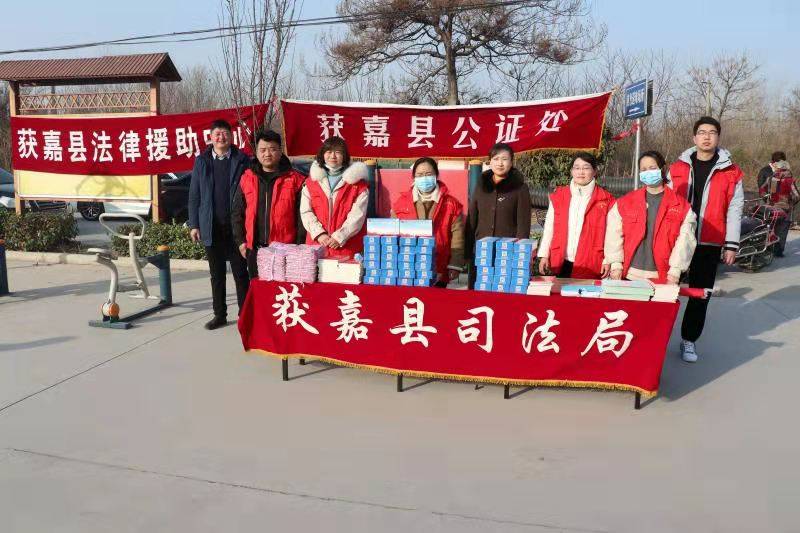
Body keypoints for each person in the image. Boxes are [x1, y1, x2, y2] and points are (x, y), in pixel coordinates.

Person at [668, 116, 744, 362]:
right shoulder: (677, 168)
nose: (707, 136)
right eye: (702, 132)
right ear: (694, 137)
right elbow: (665, 203)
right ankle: (656, 336)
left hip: (709, 242)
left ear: (718, 137)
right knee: (665, 290)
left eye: (712, 132)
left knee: (701, 294)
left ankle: (689, 340)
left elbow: (734, 209)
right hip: (676, 241)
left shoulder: (732, 172)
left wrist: (731, 244)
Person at [188, 119, 251, 330]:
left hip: (236, 228)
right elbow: (194, 195)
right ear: (211, 137)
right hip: (211, 226)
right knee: (216, 275)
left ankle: (245, 315)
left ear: (231, 136)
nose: (221, 137)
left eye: (225, 133)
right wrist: (194, 224)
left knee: (241, 273)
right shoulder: (202, 161)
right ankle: (220, 315)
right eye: (217, 134)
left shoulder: (241, 160)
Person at [604, 151, 697, 283]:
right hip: (628, 274)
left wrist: (675, 272)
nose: (648, 172)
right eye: (644, 169)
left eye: (652, 168)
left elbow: (685, 240)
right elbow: (613, 235)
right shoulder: (625, 202)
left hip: (663, 276)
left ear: (662, 169)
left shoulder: (681, 206)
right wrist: (615, 264)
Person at [232, 129, 307, 278]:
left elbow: (302, 218)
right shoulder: (247, 178)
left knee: (282, 291)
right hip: (255, 249)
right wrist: (241, 241)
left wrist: (299, 246)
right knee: (257, 288)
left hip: (285, 249)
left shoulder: (296, 180)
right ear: (256, 152)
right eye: (263, 150)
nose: (267, 154)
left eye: (272, 149)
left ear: (280, 151)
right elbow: (237, 212)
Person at [537, 152, 615, 279]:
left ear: (594, 171)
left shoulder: (606, 199)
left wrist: (608, 259)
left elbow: (611, 234)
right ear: (571, 171)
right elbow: (549, 228)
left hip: (590, 261)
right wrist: (544, 254)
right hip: (561, 260)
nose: (581, 172)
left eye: (586, 168)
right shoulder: (559, 196)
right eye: (577, 168)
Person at [465, 143, 531, 288]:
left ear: (511, 162)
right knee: (477, 292)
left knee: (502, 293)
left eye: (504, 159)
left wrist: (520, 254)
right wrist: (467, 252)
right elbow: (472, 219)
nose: (500, 163)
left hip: (507, 253)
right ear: (490, 161)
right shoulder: (480, 186)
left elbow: (523, 225)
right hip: (481, 252)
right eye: (496, 159)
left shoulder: (520, 188)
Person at [392, 157, 465, 287]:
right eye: (420, 175)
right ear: (413, 177)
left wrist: (455, 264)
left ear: (436, 175)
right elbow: (393, 235)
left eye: (428, 174)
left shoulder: (451, 204)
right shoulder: (401, 203)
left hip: (439, 266)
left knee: (437, 299)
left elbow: (457, 237)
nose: (424, 178)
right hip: (409, 267)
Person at [300, 136, 368, 258]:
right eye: (329, 151)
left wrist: (340, 237)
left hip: (346, 248)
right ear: (322, 154)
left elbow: (358, 216)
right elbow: (306, 211)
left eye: (338, 152)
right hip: (317, 246)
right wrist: (319, 234)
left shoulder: (358, 185)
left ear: (344, 156)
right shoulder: (311, 182)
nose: (333, 156)